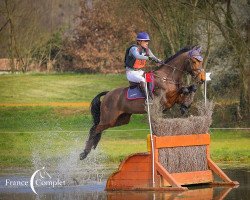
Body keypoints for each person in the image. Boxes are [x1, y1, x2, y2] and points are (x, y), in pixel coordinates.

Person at [124, 32, 162, 98]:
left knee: (150, 76)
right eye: (145, 41)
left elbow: (154, 57)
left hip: (139, 71)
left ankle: (150, 93)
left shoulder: (147, 50)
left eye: (147, 41)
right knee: (142, 79)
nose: (147, 43)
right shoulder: (133, 49)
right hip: (131, 72)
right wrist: (149, 58)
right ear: (139, 42)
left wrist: (160, 62)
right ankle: (147, 98)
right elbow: (137, 56)